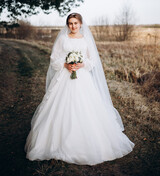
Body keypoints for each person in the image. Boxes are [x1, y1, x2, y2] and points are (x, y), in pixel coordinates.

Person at [24, 13, 135, 165]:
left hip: (82, 76)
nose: (73, 26)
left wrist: (81, 64)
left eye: (76, 23)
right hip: (64, 75)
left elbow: (92, 60)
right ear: (67, 24)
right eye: (70, 23)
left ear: (81, 24)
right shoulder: (63, 38)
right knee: (60, 106)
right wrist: (65, 64)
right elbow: (54, 58)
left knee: (86, 106)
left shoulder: (85, 39)